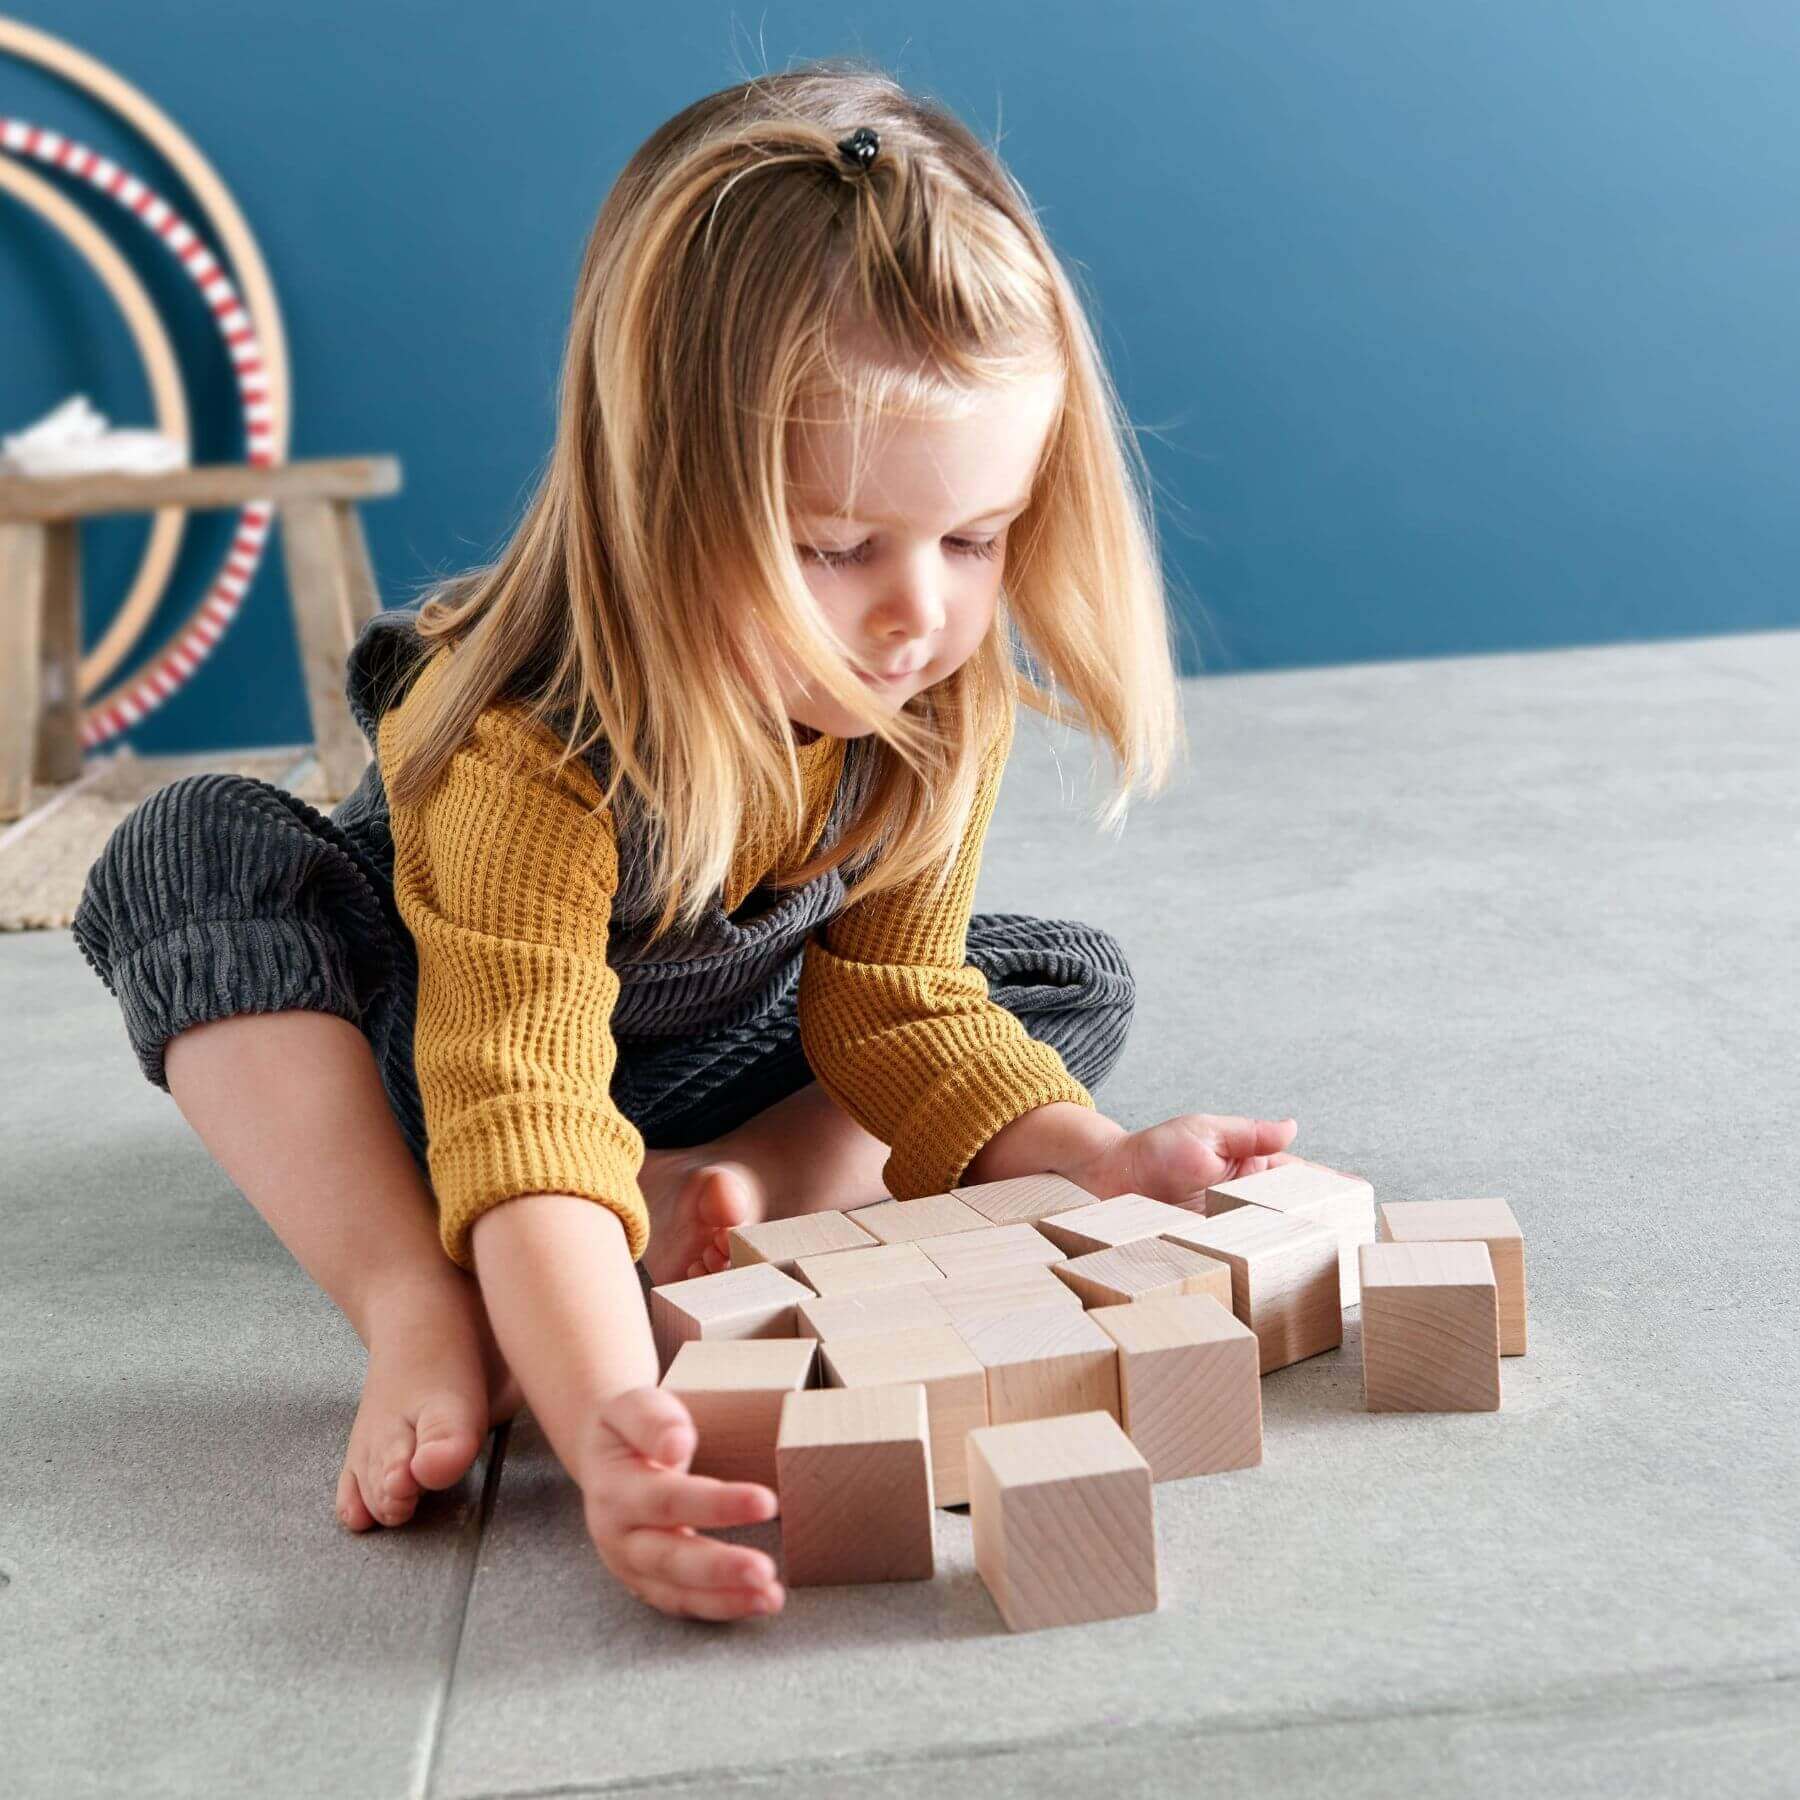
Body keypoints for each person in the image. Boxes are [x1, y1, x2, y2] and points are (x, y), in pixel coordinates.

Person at [70, 60, 1299, 1624]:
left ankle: (699, 1192)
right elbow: (514, 1087)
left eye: (976, 540)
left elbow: (898, 1003)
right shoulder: (531, 735)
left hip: (702, 1050)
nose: (918, 612)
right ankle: (421, 1294)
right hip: (437, 1048)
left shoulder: (931, 691)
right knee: (191, 852)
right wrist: (607, 1439)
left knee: (1056, 986)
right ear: (663, 501)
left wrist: (1094, 1167)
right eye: (836, 549)